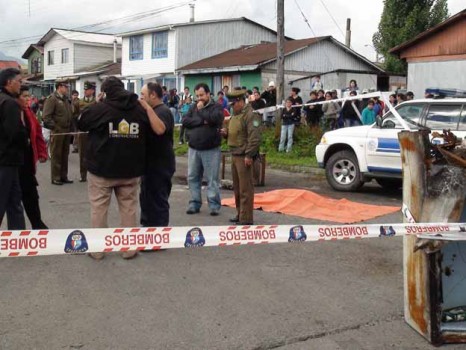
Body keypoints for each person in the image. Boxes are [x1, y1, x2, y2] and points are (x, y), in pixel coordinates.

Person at [78, 76, 154, 260]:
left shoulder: (100, 109)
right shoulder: (139, 109)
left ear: (104, 92)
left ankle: (97, 250)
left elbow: (80, 122)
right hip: (130, 170)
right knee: (128, 209)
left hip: (102, 170)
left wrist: (95, 103)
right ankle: (129, 249)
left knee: (99, 208)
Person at [181, 83, 224, 216]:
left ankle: (214, 205)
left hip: (211, 149)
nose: (199, 98)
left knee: (212, 178)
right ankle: (194, 202)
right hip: (194, 148)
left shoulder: (216, 107)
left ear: (208, 94)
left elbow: (214, 120)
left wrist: (201, 113)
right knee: (193, 177)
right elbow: (185, 121)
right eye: (197, 95)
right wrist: (201, 121)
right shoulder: (193, 107)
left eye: (201, 95)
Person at [221, 89, 261, 225]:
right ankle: (240, 213)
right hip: (235, 153)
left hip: (244, 156)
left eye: (233, 104)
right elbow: (236, 132)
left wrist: (249, 154)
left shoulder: (250, 115)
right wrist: (226, 134)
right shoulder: (236, 115)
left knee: (245, 189)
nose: (232, 107)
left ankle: (246, 217)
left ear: (240, 101)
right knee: (237, 188)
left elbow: (254, 137)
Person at [139, 82, 175, 227]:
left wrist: (147, 108)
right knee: (147, 200)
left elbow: (160, 129)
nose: (141, 98)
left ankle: (158, 235)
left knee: (158, 202)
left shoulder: (163, 111)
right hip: (149, 165)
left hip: (160, 166)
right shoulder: (152, 111)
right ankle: (148, 231)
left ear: (153, 95)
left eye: (143, 95)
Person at [16, 85, 48, 229]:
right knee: (12, 199)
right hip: (12, 162)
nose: (28, 99)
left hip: (27, 161)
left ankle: (38, 225)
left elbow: (38, 133)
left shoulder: (29, 112)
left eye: (29, 96)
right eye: (24, 96)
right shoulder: (10, 111)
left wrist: (42, 152)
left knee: (31, 195)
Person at [0, 68, 27, 230]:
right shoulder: (9, 103)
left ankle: (17, 238)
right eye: (19, 81)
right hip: (6, 159)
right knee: (3, 200)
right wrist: (26, 140)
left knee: (14, 200)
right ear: (9, 82)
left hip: (9, 159)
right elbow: (14, 133)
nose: (21, 85)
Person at [43, 80, 73, 185]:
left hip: (67, 130)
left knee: (65, 154)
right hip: (58, 131)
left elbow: (70, 114)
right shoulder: (52, 99)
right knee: (56, 154)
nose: (67, 89)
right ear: (60, 87)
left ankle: (63, 176)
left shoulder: (66, 99)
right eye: (66, 87)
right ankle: (56, 177)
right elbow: (46, 117)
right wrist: (55, 128)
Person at [77, 81, 97, 182]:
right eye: (84, 89)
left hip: (94, 131)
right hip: (83, 131)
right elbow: (76, 114)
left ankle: (94, 174)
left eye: (87, 89)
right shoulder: (79, 102)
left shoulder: (99, 102)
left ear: (92, 91)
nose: (85, 91)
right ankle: (83, 175)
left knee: (94, 154)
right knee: (82, 154)